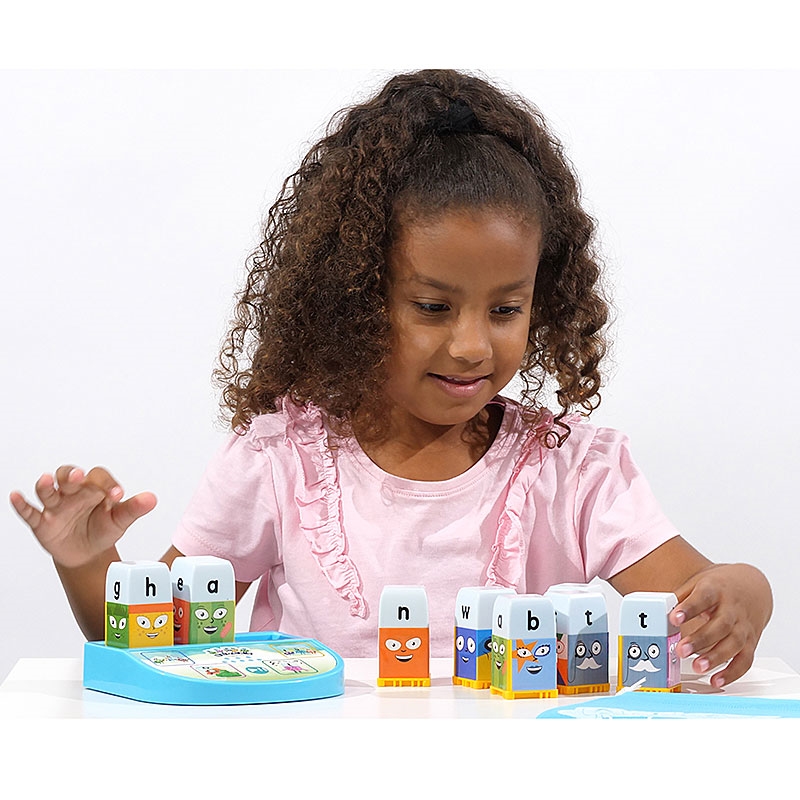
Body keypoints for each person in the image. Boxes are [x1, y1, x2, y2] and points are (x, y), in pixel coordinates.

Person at [10, 69, 772, 689]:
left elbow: (699, 598)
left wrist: (744, 596)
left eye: (506, 308)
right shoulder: (281, 463)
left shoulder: (574, 471)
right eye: (434, 306)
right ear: (354, 296)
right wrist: (87, 561)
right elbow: (154, 645)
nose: (472, 345)